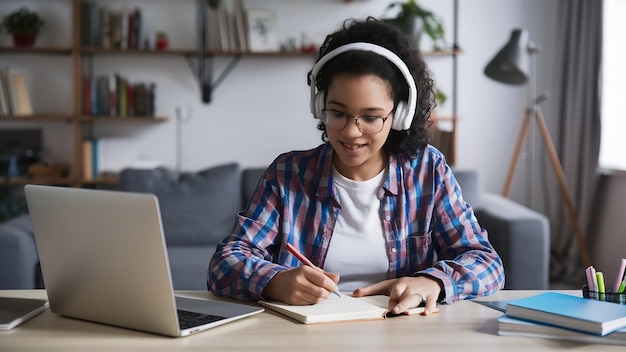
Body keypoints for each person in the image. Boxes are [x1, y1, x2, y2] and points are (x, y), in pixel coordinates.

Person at [208, 17, 504, 316]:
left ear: (400, 116)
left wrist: (433, 282)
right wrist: (275, 281)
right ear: (319, 104)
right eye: (338, 113)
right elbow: (224, 264)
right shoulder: (288, 173)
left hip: (403, 336)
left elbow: (486, 264)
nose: (351, 132)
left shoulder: (428, 170)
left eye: (371, 118)